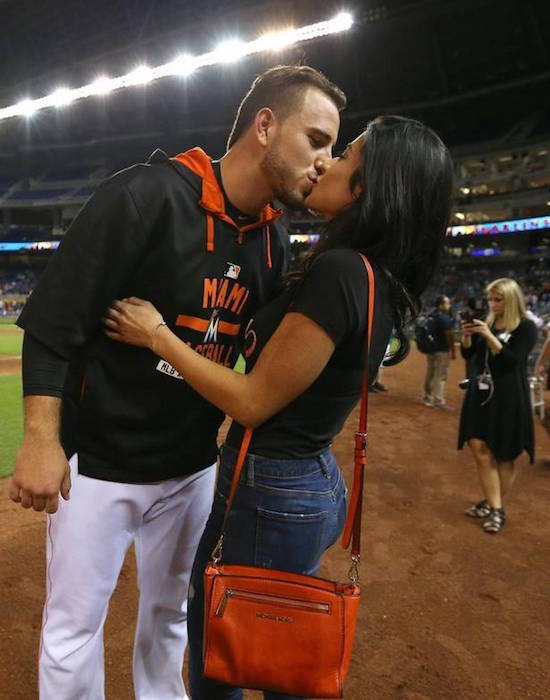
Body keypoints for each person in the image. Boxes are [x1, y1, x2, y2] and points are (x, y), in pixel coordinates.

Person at [8, 65, 346, 700]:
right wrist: (41, 439)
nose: (325, 161)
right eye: (318, 140)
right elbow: (55, 323)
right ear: (265, 126)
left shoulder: (272, 236)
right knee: (73, 629)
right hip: (101, 465)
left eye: (333, 148)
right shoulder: (145, 197)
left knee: (171, 620)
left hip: (192, 467)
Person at [103, 115, 454, 699]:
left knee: (232, 655)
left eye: (344, 156)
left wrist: (158, 334)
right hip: (307, 480)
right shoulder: (370, 274)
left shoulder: (341, 272)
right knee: (274, 647)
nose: (327, 162)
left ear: (367, 189)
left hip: (273, 488)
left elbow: (252, 400)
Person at [459, 278, 538, 534]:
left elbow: (511, 362)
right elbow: (469, 356)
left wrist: (489, 336)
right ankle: (496, 507)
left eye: (497, 299)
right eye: (490, 299)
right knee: (478, 445)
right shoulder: (489, 322)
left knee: (505, 454)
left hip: (509, 397)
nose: (492, 304)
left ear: (511, 299)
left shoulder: (527, 327)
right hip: (482, 395)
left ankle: (494, 506)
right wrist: (468, 337)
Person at [422, 295, 455, 408]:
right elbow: (448, 334)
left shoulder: (431, 315)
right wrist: (453, 350)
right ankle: (438, 401)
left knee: (430, 374)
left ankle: (428, 397)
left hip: (431, 349)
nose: (449, 305)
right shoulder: (443, 317)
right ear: (441, 305)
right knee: (440, 376)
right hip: (441, 349)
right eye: (447, 303)